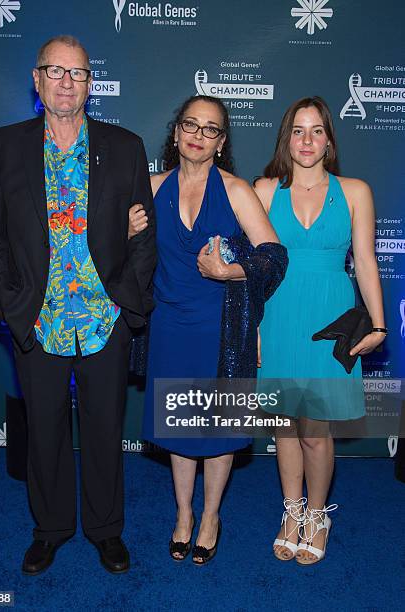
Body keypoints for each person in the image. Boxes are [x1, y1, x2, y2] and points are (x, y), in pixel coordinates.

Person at [0, 35, 156, 575]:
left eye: (76, 73)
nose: (65, 82)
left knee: (104, 430)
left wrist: (126, 303)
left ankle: (105, 531)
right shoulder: (6, 145)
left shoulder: (124, 146)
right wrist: (10, 303)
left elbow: (144, 237)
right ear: (37, 79)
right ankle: (50, 529)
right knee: (45, 431)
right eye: (55, 71)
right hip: (39, 317)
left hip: (105, 319)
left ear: (90, 84)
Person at [130, 95, 284, 564]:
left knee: (216, 433)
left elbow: (274, 257)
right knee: (179, 427)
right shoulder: (152, 187)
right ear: (176, 133)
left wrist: (229, 272)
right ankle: (182, 514)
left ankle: (211, 515)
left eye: (210, 129)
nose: (198, 135)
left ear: (221, 142)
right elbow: (114, 251)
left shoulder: (237, 191)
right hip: (169, 325)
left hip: (221, 329)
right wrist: (125, 230)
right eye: (190, 125)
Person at [254, 96, 386, 564]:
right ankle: (291, 513)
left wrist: (379, 322)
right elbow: (256, 268)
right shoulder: (266, 189)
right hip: (279, 313)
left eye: (316, 130)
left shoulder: (355, 191)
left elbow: (366, 261)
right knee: (285, 427)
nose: (306, 140)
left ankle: (317, 514)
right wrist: (253, 330)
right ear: (286, 138)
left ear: (329, 139)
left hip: (330, 317)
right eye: (298, 130)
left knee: (315, 429)